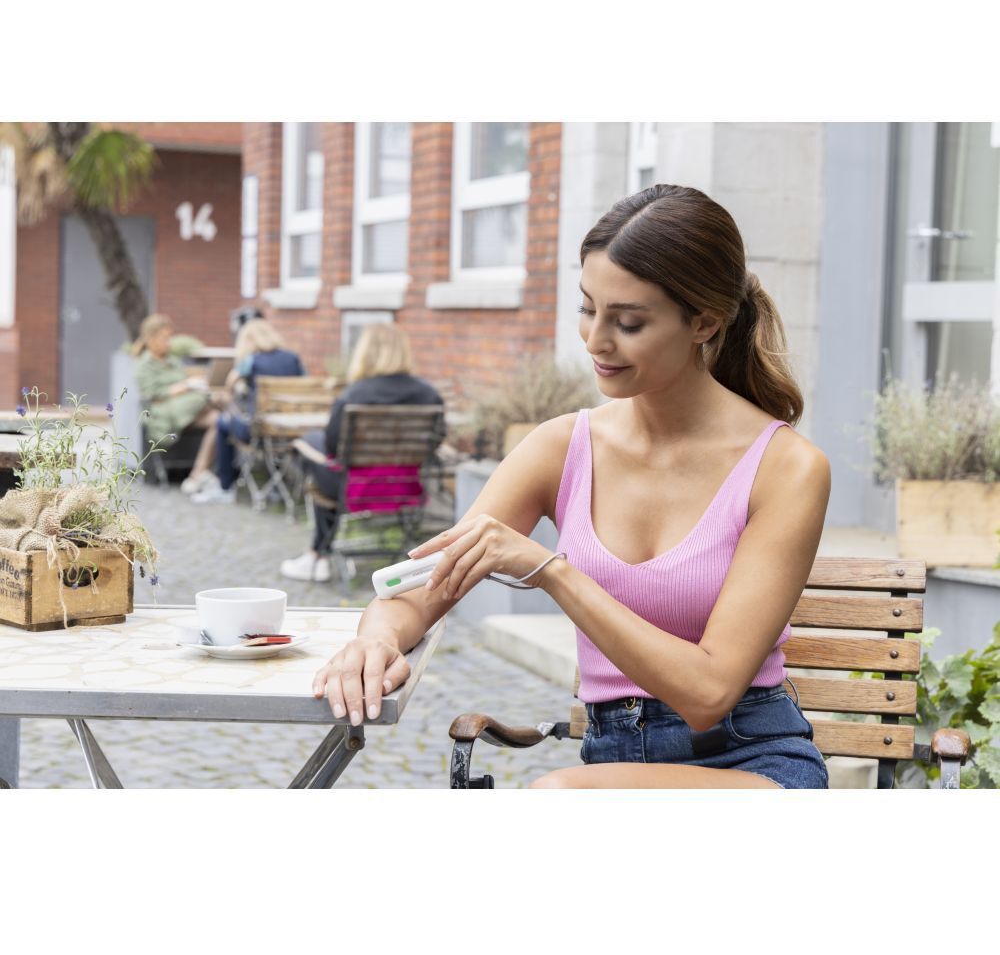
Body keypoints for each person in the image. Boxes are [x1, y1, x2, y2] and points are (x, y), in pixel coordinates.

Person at [311, 184, 832, 790]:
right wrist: (375, 640)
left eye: (628, 322)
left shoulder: (786, 468)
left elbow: (709, 692)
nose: (595, 340)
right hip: (613, 766)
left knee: (555, 798)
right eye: (588, 308)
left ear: (705, 322)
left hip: (752, 763)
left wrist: (551, 571)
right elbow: (422, 589)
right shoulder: (562, 447)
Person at [280, 322, 443, 582]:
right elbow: (435, 442)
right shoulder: (429, 394)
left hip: (355, 488)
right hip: (406, 487)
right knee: (319, 449)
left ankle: (317, 555)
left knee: (311, 443)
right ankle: (321, 554)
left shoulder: (354, 394)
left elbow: (333, 449)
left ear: (365, 352)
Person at [191, 318, 304, 505]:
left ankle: (225, 487)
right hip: (290, 431)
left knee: (222, 422)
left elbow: (229, 387)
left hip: (258, 432)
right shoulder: (293, 358)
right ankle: (275, 486)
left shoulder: (251, 361)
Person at [132, 313, 220, 494]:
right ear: (151, 338)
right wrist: (185, 386)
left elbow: (185, 383)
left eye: (170, 337)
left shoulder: (173, 360)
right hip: (164, 413)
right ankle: (220, 403)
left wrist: (193, 385)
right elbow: (153, 394)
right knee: (217, 399)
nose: (169, 342)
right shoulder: (143, 365)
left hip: (188, 411)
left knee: (219, 420)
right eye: (165, 338)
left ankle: (197, 475)